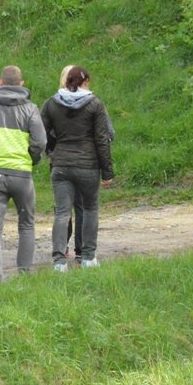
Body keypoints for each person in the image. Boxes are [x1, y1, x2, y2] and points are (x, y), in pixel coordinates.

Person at [0, 66, 47, 284]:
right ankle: (24, 275)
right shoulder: (30, 108)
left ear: (0, 82)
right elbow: (40, 142)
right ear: (21, 84)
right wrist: (31, 159)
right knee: (27, 225)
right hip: (22, 174)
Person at [41, 66, 114, 271]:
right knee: (90, 210)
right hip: (88, 165)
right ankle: (88, 258)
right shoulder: (95, 104)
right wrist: (107, 172)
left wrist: (55, 148)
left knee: (62, 213)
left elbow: (41, 133)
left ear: (66, 81)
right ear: (86, 82)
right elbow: (102, 139)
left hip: (61, 165)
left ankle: (59, 262)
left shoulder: (51, 103)